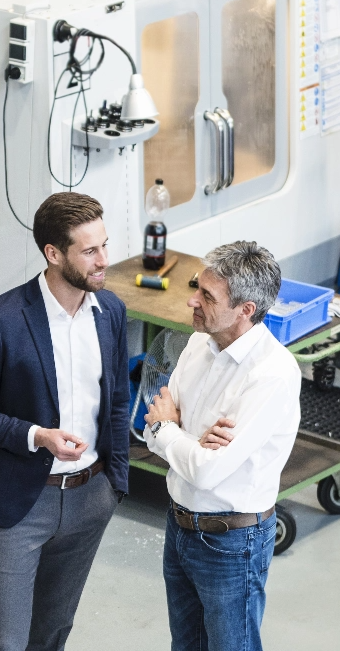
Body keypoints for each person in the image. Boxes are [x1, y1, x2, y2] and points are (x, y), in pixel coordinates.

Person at [0, 192, 130, 651]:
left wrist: (114, 484)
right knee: (7, 641)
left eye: (104, 246)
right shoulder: (0, 319)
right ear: (54, 254)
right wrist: (37, 436)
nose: (103, 261)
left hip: (90, 496)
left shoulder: (110, 312)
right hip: (22, 503)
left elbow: (117, 400)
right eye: (89, 251)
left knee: (52, 633)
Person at [143, 241, 300, 651]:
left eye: (208, 296)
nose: (192, 300)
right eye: (197, 287)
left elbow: (204, 468)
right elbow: (152, 422)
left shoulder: (272, 375)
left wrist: (170, 431)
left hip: (230, 543)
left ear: (246, 309)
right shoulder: (200, 342)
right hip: (178, 524)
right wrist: (183, 438)